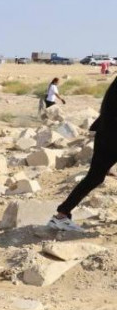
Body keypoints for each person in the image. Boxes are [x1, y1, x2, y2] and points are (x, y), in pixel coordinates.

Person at [49, 76, 117, 231]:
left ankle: (62, 214)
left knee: (95, 177)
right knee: (95, 176)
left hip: (105, 132)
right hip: (113, 134)